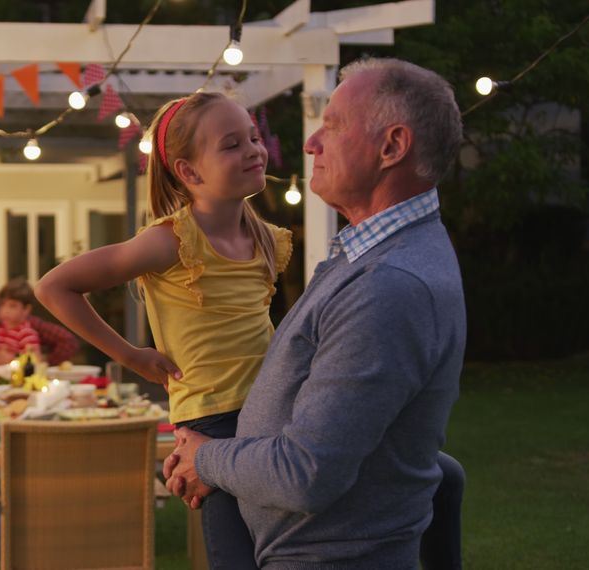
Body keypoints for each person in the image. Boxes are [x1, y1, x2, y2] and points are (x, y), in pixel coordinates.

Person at [164, 57, 467, 568]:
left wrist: (206, 458)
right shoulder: (373, 254)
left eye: (333, 126)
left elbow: (306, 472)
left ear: (392, 147)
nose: (310, 143)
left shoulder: (387, 285)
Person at [36, 91, 292, 570]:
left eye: (254, 138)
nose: (254, 150)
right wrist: (130, 355)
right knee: (236, 558)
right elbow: (56, 287)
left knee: (282, 550)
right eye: (232, 144)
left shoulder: (265, 237)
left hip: (271, 412)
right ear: (190, 172)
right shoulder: (170, 240)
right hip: (211, 425)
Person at [0, 278, 43, 364]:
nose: (5, 310)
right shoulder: (1, 329)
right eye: (2, 304)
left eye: (12, 306)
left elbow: (35, 362)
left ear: (26, 309)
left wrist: (12, 359)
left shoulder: (26, 334)